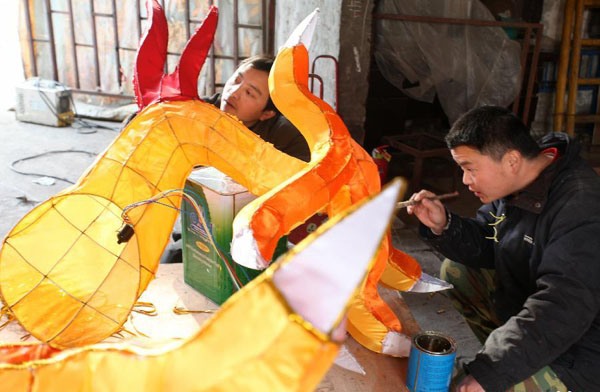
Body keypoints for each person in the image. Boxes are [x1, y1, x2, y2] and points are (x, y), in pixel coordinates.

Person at [407, 105, 600, 391]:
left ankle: (518, 365)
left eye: (470, 169)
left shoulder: (580, 206)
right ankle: (510, 355)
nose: (465, 180)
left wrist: (491, 373)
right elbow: (491, 240)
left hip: (581, 349)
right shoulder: (521, 182)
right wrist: (444, 225)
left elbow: (562, 306)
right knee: (458, 271)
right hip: (539, 316)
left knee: (493, 382)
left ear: (511, 160)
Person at [203, 54, 311, 162]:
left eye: (249, 93)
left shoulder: (288, 140)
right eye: (236, 80)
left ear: (267, 113)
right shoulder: (199, 110)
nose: (233, 93)